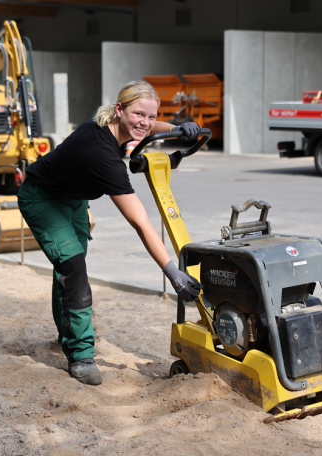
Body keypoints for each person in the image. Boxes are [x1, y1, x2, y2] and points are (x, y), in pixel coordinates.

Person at [18, 80, 202, 385]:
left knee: (68, 266)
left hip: (73, 198)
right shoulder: (101, 155)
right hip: (42, 198)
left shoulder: (110, 121)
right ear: (119, 110)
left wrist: (178, 128)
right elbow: (140, 222)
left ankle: (67, 331)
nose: (145, 122)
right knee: (74, 268)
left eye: (151, 116)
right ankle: (80, 355)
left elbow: (148, 126)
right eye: (138, 114)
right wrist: (172, 271)